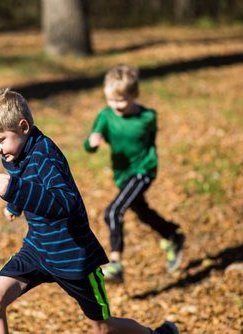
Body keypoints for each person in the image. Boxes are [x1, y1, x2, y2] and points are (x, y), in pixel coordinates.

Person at [0, 88, 179, 334]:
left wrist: (16, 192)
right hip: (38, 249)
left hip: (74, 257)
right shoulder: (14, 151)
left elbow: (64, 203)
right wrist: (14, 204)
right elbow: (24, 179)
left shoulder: (46, 156)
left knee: (104, 328)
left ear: (24, 127)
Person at [84, 64, 185, 282]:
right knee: (142, 212)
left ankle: (116, 263)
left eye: (121, 100)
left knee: (113, 211)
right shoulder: (105, 116)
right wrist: (92, 143)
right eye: (111, 100)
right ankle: (172, 235)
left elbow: (142, 142)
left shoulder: (148, 117)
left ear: (134, 95)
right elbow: (90, 142)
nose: (116, 105)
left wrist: (145, 164)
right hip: (122, 175)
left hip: (143, 171)